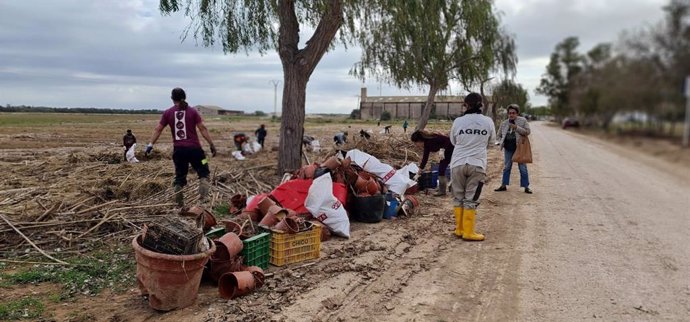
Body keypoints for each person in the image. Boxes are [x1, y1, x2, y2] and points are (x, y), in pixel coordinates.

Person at [145, 88, 216, 207]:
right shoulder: (192, 112)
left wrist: (150, 145)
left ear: (172, 99)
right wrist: (211, 145)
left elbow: (158, 129)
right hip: (196, 151)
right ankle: (203, 202)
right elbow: (203, 128)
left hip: (179, 152)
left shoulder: (168, 113)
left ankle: (179, 204)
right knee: (204, 171)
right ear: (185, 97)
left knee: (179, 177)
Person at [449, 92, 495, 241]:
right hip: (477, 164)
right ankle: (469, 232)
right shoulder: (488, 122)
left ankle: (460, 229)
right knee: (471, 198)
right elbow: (492, 142)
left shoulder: (458, 122)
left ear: (465, 105)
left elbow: (453, 141)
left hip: (457, 163)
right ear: (481, 104)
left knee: (458, 197)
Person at [494, 104, 532, 194]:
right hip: (508, 148)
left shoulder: (523, 121)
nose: (511, 115)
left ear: (517, 113)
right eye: (510, 113)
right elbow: (498, 135)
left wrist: (516, 128)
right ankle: (503, 185)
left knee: (522, 167)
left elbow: (527, 132)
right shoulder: (504, 123)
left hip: (520, 148)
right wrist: (500, 142)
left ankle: (526, 187)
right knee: (507, 167)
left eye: (513, 113)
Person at [410, 130, 453, 196]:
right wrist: (419, 171)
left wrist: (442, 149)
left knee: (450, 169)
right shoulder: (427, 145)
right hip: (445, 154)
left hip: (452, 150)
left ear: (419, 140)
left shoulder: (433, 139)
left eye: (416, 143)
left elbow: (448, 140)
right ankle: (442, 190)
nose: (416, 145)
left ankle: (449, 188)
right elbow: (425, 158)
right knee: (441, 170)